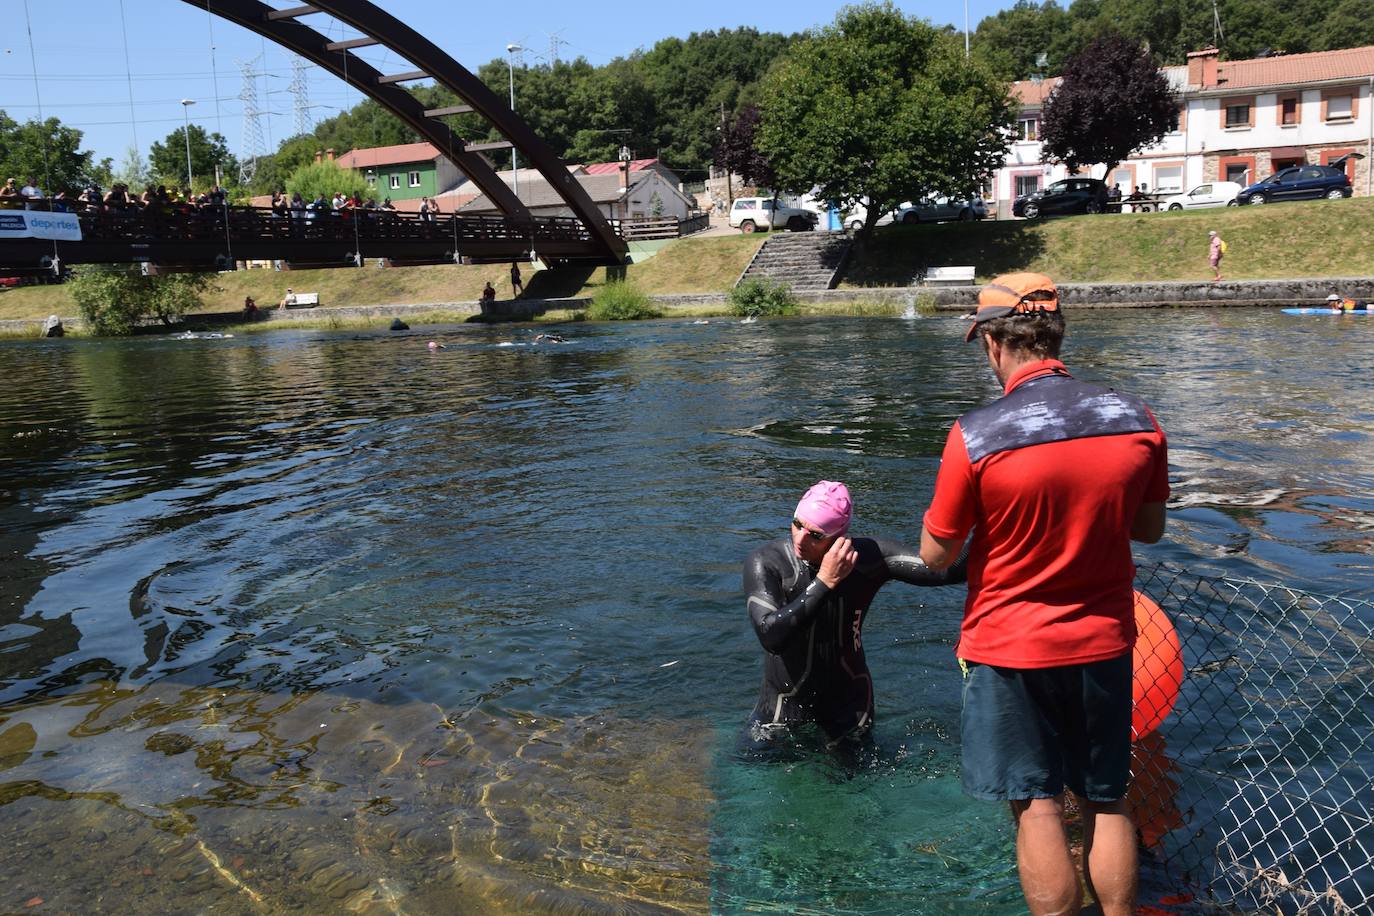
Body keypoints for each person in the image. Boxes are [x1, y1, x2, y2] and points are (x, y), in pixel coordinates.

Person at [918, 272, 1169, 916]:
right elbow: (1149, 528)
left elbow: (936, 554)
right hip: (1106, 639)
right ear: (1056, 332)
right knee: (1106, 797)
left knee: (1036, 805)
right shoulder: (1135, 418)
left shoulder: (975, 436)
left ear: (993, 344)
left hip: (1010, 647)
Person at [743, 480, 966, 750]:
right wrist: (825, 581)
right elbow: (771, 637)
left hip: (849, 701)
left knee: (855, 783)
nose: (799, 538)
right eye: (797, 523)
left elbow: (947, 570)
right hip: (783, 704)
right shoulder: (768, 562)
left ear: (839, 537)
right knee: (750, 768)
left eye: (815, 535)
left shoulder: (868, 557)